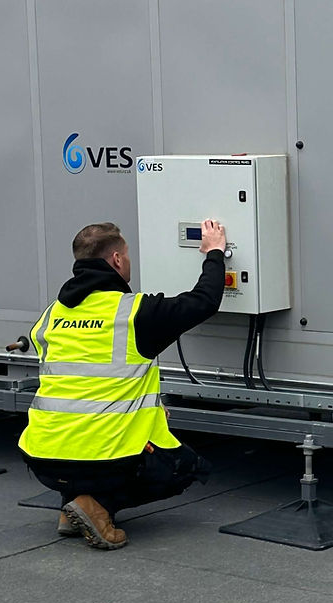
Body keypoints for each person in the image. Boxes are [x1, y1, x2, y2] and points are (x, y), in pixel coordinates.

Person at [19, 219, 228, 550]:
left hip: (41, 457)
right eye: (127, 255)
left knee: (85, 446)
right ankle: (96, 506)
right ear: (116, 259)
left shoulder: (51, 315)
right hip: (99, 457)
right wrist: (215, 252)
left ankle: (71, 502)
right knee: (186, 468)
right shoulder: (134, 313)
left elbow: (85, 383)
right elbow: (203, 301)